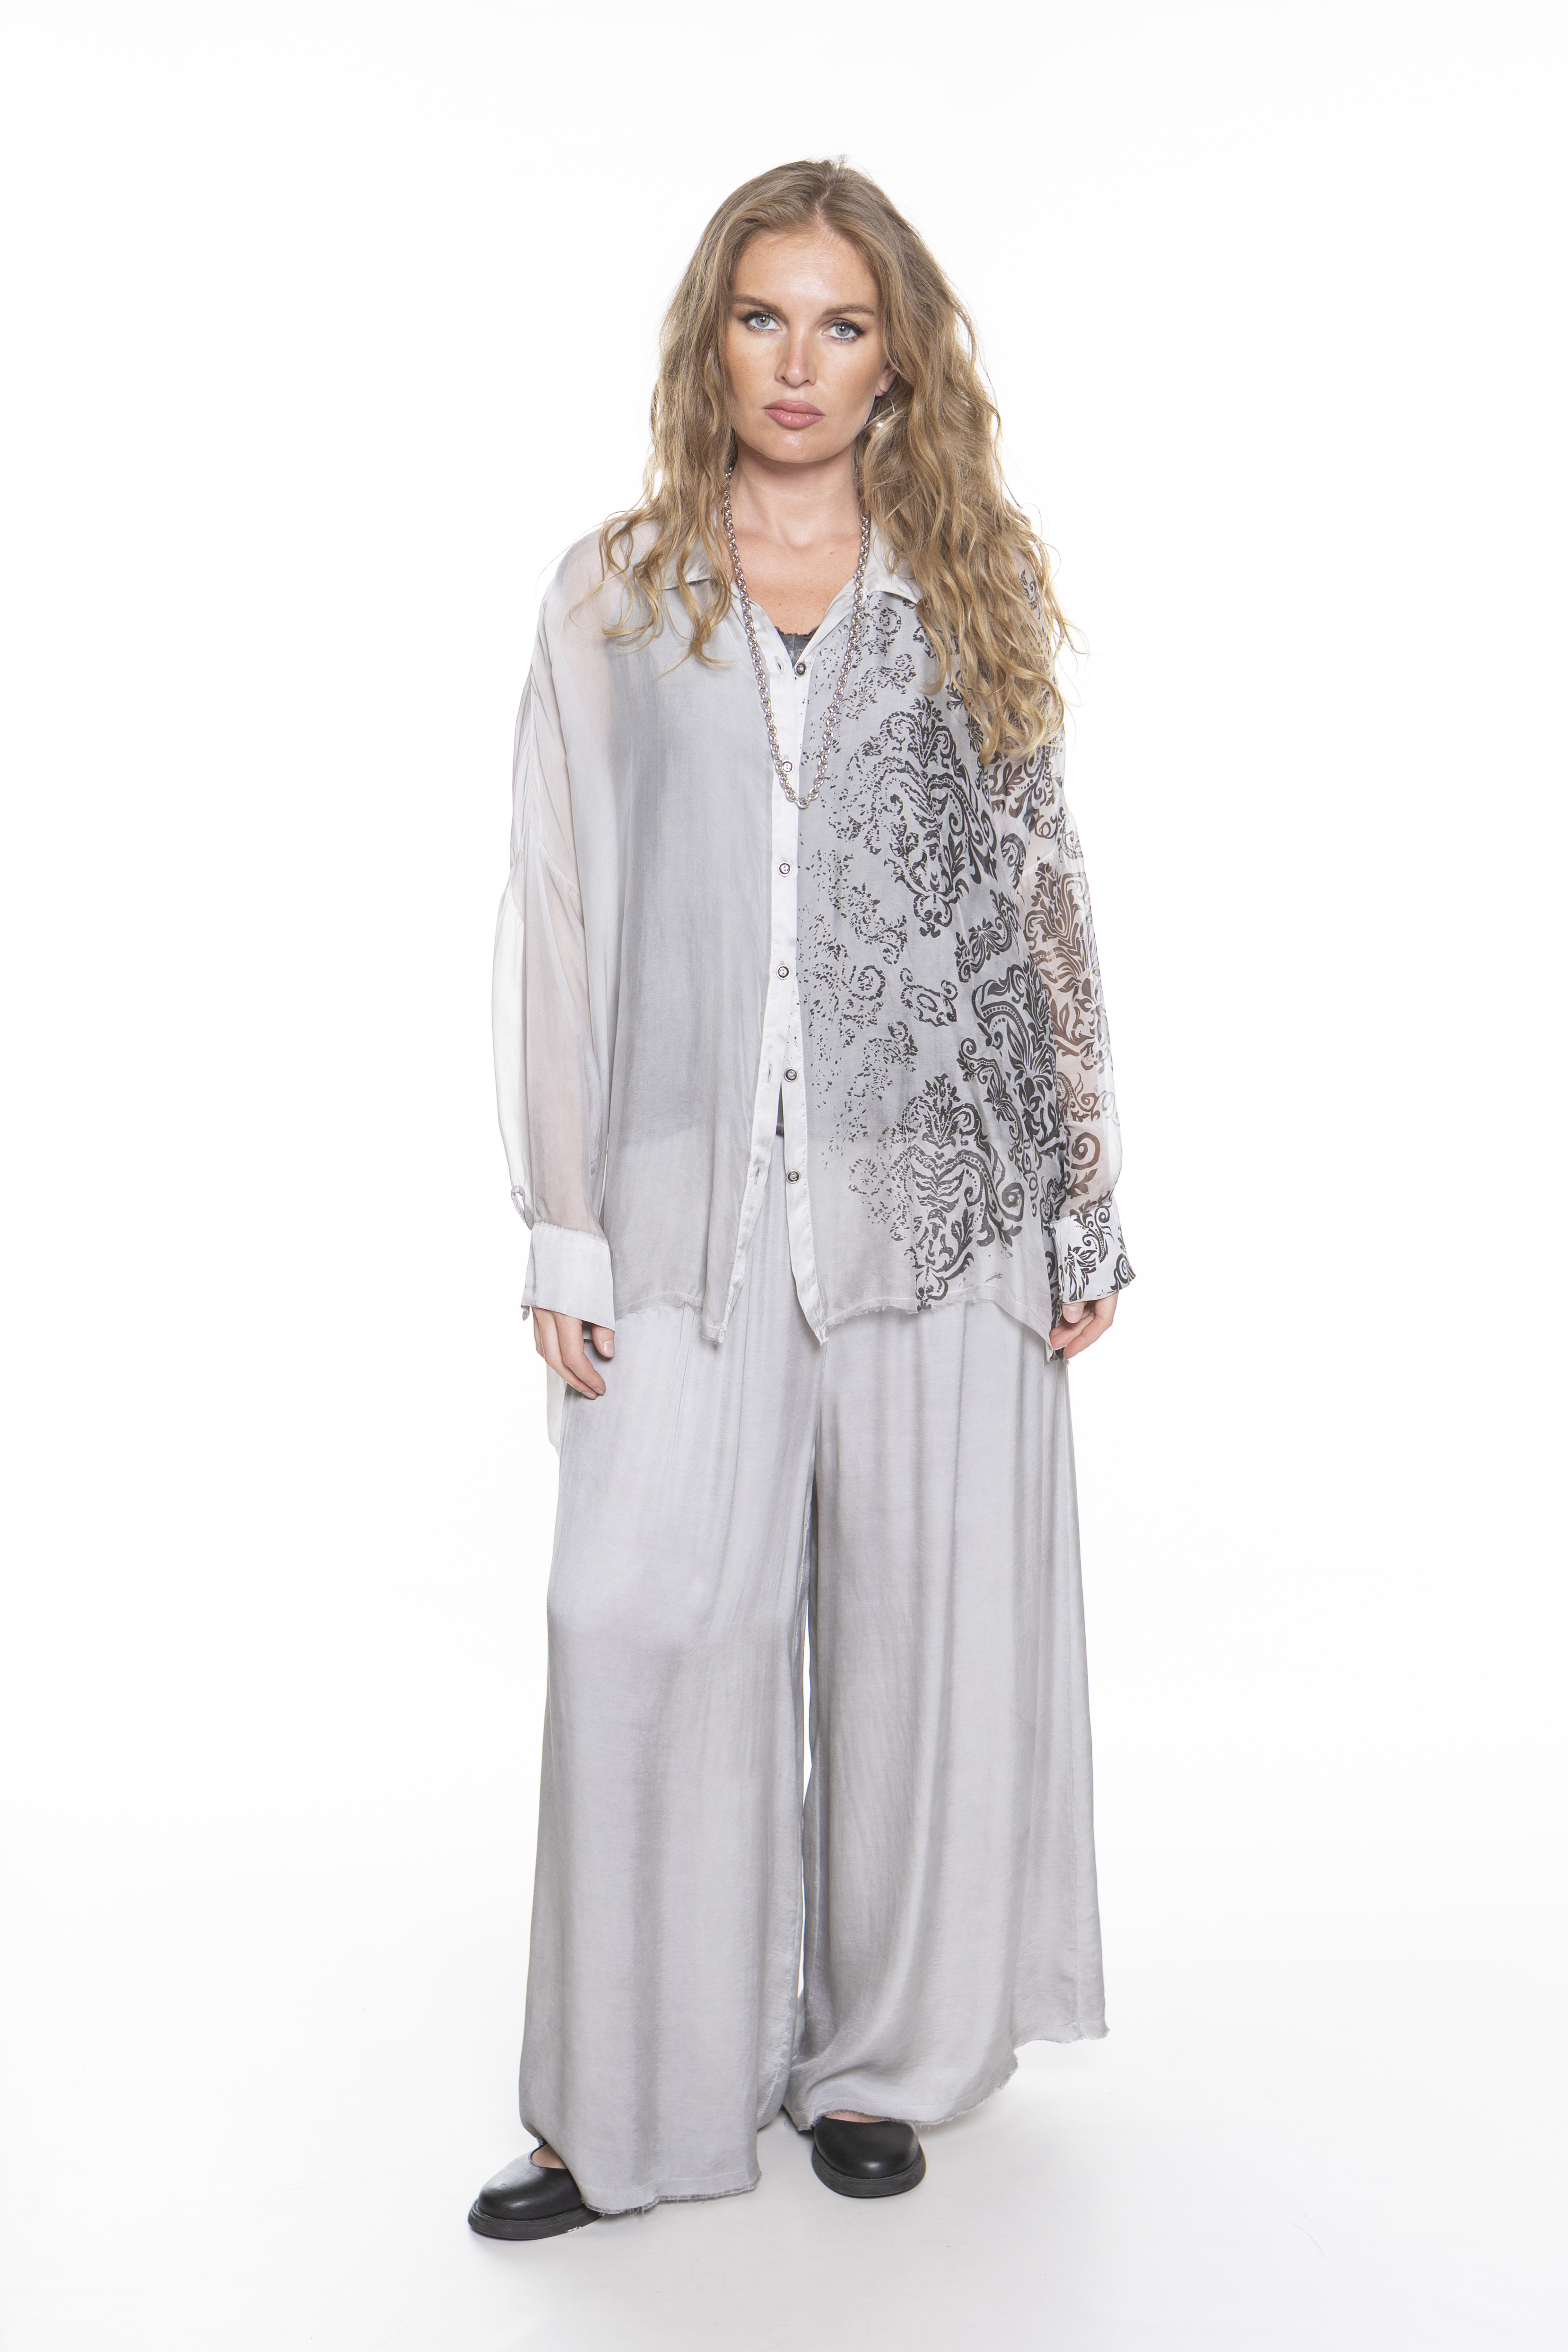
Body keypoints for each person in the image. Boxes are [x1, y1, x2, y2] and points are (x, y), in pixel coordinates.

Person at [471, 157, 1132, 2241]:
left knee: (923, 1638)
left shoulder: (967, 582)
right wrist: (561, 1216)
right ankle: (625, 2101)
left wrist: (1083, 1193)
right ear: (713, 338)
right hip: (684, 1196)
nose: (798, 361)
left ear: (894, 360)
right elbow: (556, 910)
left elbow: (1040, 893)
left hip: (942, 1187)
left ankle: (879, 2063)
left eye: (842, 325)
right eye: (765, 316)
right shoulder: (613, 589)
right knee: (637, 1608)